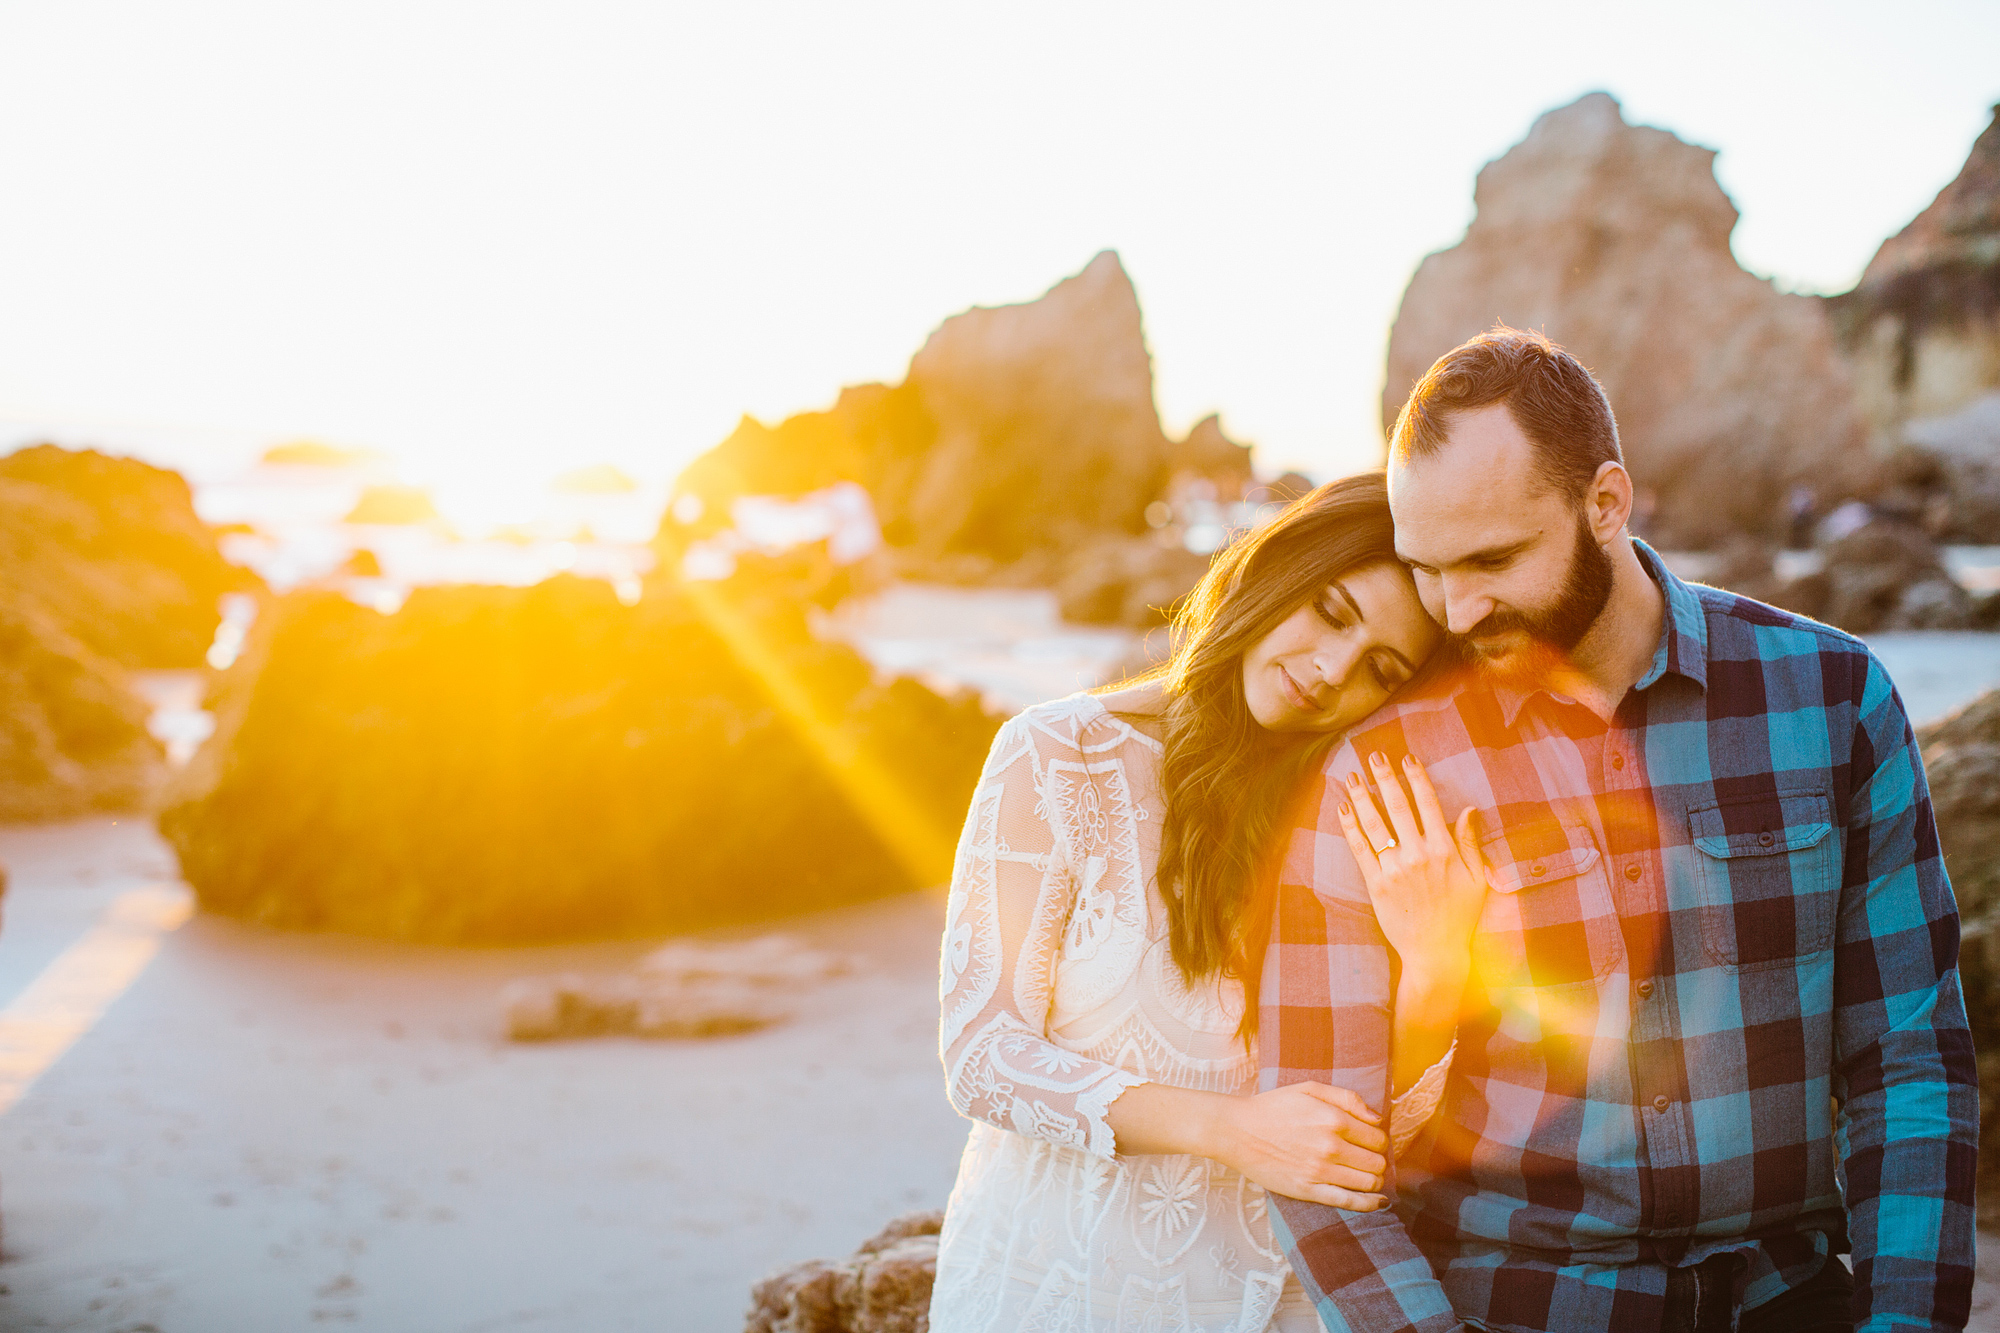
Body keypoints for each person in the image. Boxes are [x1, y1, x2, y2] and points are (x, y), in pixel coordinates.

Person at [1261, 328, 1977, 1333]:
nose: (1456, 610)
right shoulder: (1373, 774)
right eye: (1425, 569)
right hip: (1510, 1309)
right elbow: (1314, 1154)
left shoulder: (1829, 695)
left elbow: (1905, 1060)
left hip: (1789, 1300)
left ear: (1604, 502)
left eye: (1491, 559)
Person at [928, 474, 1489, 1332]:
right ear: (1273, 570)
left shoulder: (1357, 817)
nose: (1332, 669)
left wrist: (1437, 966)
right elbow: (982, 1053)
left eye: (1382, 668)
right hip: (1061, 1291)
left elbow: (1368, 1135)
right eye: (1333, 612)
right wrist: (1231, 1128)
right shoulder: (1055, 754)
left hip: (1281, 1301)